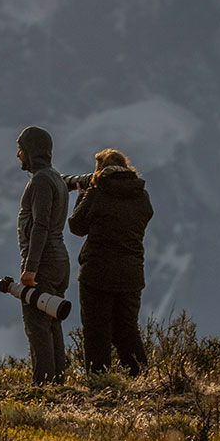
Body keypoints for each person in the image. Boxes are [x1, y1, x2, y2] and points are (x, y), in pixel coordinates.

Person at [67, 147, 154, 375]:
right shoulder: (142, 196)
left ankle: (98, 380)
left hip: (97, 273)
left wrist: (81, 197)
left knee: (96, 332)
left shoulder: (97, 195)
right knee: (126, 330)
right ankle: (140, 375)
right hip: (132, 274)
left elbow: (76, 226)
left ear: (100, 170)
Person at [15, 125, 70, 385]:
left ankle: (44, 386)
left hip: (44, 262)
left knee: (37, 324)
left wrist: (30, 267)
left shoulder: (39, 181)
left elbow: (40, 226)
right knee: (52, 321)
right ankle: (58, 383)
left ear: (31, 151)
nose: (18, 155)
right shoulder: (56, 178)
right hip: (60, 260)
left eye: (21, 149)